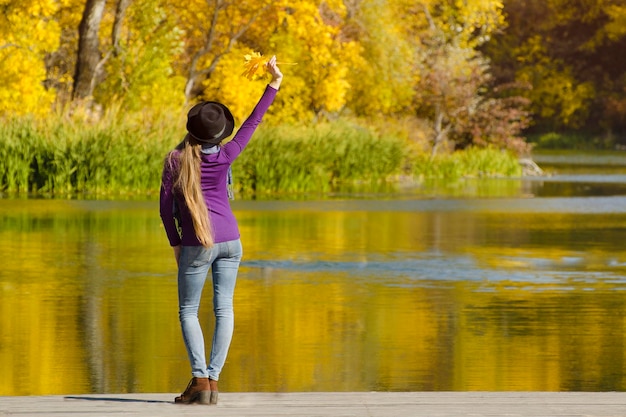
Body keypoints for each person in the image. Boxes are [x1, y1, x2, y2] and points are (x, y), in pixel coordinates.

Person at [159, 56, 283, 405]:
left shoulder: (175, 160)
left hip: (196, 242)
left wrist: (176, 245)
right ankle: (212, 381)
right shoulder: (227, 154)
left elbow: (166, 210)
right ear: (219, 133)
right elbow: (253, 121)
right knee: (224, 309)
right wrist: (274, 83)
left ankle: (200, 380)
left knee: (188, 311)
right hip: (232, 240)